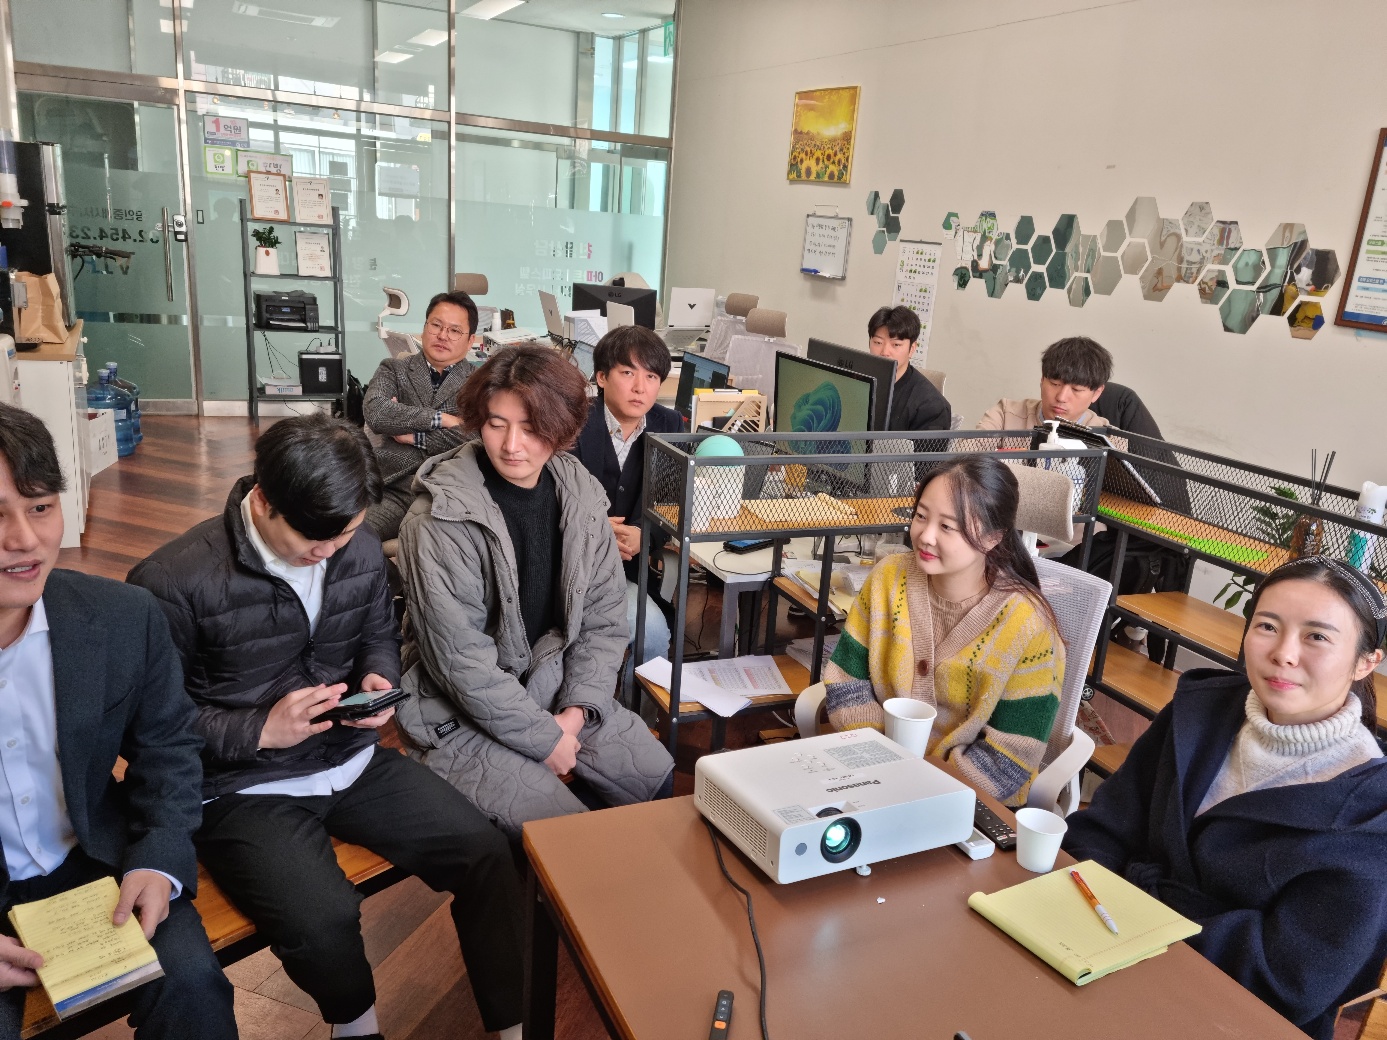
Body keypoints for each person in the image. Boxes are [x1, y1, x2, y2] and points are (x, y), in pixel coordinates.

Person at [128, 414, 524, 1040]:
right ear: (264, 500)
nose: (330, 551)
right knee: (323, 919)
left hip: (351, 755)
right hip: (243, 786)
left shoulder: (355, 546)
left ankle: (513, 1022)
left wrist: (377, 677)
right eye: (314, 538)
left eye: (345, 533)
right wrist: (260, 730)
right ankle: (356, 1026)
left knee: (486, 851)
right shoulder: (171, 581)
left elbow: (376, 633)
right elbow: (150, 727)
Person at [1063, 556, 1387, 1040]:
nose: (1283, 653)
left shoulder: (1371, 811)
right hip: (1095, 955)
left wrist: (1132, 911)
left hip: (1224, 1016)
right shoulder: (1199, 710)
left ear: (1366, 661)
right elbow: (1101, 830)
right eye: (1268, 626)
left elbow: (1286, 979)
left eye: (1317, 636)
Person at [0, 404, 235, 1040]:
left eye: (41, 506)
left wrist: (158, 857)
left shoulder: (123, 616)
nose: (24, 539)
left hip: (99, 859)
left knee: (194, 990)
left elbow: (169, 746)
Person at [395, 345, 675, 840]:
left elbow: (604, 619)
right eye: (496, 424)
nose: (512, 445)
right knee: (565, 837)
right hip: (457, 702)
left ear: (562, 429)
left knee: (654, 778)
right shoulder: (438, 518)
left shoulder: (579, 492)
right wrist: (544, 738)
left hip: (555, 682)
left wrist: (575, 713)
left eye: (531, 428)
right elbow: (461, 662)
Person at [822, 454, 1065, 806]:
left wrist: (920, 787)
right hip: (873, 773)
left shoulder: (1028, 625)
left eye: (948, 527)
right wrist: (881, 763)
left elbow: (1010, 755)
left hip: (968, 799)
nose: (926, 536)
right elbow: (848, 683)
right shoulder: (888, 578)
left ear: (993, 538)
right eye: (921, 516)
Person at [570, 325, 682, 674]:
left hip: (627, 572)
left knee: (653, 633)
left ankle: (638, 708)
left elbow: (671, 501)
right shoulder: (571, 419)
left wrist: (644, 535)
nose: (640, 387)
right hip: (571, 564)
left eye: (651, 376)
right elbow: (546, 495)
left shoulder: (670, 424)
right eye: (628, 373)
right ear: (602, 377)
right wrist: (592, 530)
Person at [362, 290, 479, 541]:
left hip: (450, 488)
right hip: (393, 486)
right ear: (425, 327)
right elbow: (377, 412)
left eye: (454, 330)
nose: (443, 335)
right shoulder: (394, 368)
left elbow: (476, 436)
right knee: (354, 535)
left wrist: (415, 436)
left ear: (470, 340)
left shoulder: (480, 382)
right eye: (436, 325)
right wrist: (443, 420)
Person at [976, 336, 1112, 430]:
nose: (1061, 397)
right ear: (1042, 380)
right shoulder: (1005, 415)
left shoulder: (1110, 439)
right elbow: (970, 456)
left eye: (1076, 389)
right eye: (1055, 384)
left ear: (1097, 393)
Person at [866, 305, 952, 431]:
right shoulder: (857, 380)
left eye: (896, 344)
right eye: (878, 342)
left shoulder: (933, 407)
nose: (885, 352)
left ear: (912, 349)